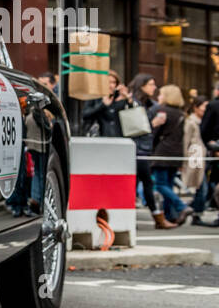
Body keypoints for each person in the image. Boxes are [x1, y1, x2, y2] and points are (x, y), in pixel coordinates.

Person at [150, 84, 193, 227]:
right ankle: (170, 216)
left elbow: (154, 133)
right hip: (177, 152)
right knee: (168, 184)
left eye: (161, 94)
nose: (158, 97)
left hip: (162, 151)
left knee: (160, 184)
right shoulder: (181, 114)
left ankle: (181, 206)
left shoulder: (161, 111)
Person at [129, 73, 168, 227]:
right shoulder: (133, 102)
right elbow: (134, 127)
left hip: (146, 147)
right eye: (151, 84)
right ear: (142, 85)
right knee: (142, 182)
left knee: (144, 182)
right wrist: (154, 123)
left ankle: (157, 217)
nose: (154, 87)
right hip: (135, 147)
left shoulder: (151, 104)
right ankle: (157, 218)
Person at [184, 95, 210, 224]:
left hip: (202, 157)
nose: (206, 110)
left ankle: (191, 210)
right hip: (195, 158)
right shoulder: (191, 122)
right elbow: (186, 141)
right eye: (204, 106)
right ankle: (193, 211)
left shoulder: (204, 122)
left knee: (202, 187)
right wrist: (183, 158)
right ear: (196, 107)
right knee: (201, 186)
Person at [82, 70, 132, 137]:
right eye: (107, 82)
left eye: (113, 82)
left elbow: (132, 119)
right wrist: (102, 105)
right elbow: (85, 115)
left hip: (119, 139)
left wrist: (129, 101)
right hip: (99, 137)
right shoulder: (94, 97)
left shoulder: (121, 97)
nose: (110, 85)